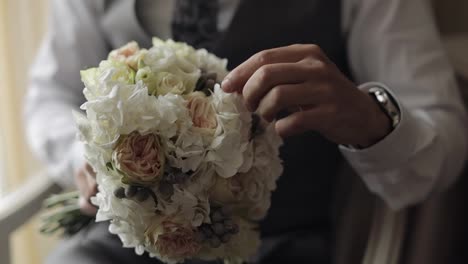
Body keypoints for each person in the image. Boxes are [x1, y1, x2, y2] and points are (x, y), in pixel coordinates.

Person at [24, 0, 467, 263]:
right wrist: (87, 158)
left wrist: (371, 118)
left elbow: (442, 141)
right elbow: (50, 94)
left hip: (279, 248)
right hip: (116, 249)